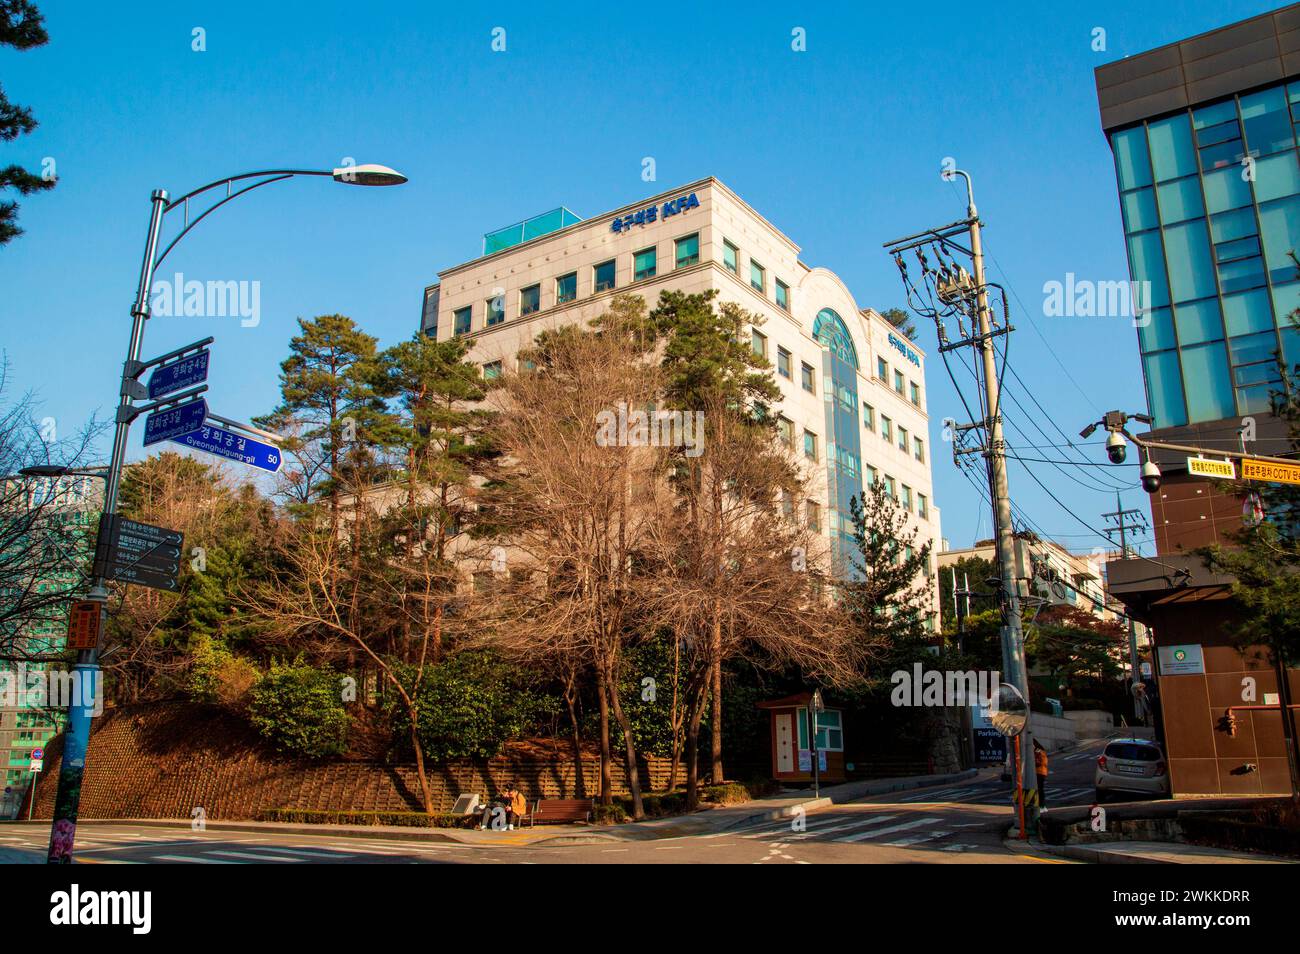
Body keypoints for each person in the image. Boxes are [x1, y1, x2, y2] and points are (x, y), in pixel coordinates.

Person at [1033, 739, 1049, 808]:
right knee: (1039, 790)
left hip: (1039, 772)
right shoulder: (1037, 751)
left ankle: (1041, 805)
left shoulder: (1038, 751)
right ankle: (1041, 805)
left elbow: (1040, 762)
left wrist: (1032, 762)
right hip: (1040, 772)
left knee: (1039, 790)